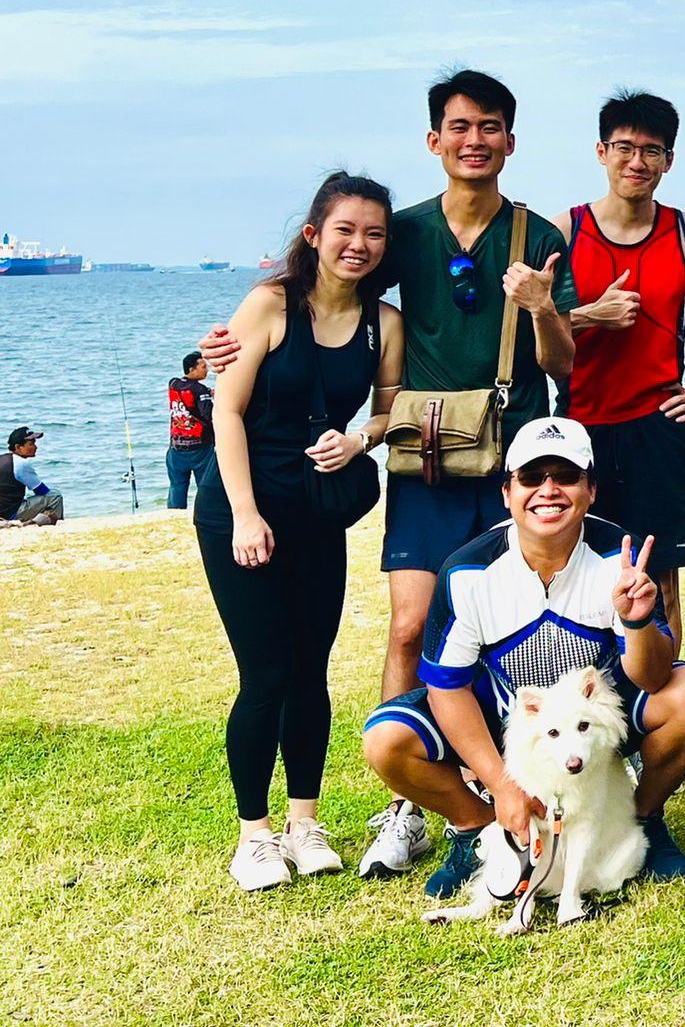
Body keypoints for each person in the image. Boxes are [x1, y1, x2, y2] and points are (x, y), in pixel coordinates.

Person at [201, 70, 580, 876]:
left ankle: (536, 780)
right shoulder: (402, 230)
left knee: (519, 626)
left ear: (510, 141)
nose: (474, 140)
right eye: (458, 126)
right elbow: (324, 289)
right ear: (434, 141)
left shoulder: (540, 235)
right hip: (425, 455)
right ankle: (404, 803)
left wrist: (544, 305)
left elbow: (563, 361)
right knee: (411, 626)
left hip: (514, 455)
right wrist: (224, 351)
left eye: (490, 127)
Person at [361, 416, 685, 898]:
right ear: (506, 492)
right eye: (532, 477)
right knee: (386, 738)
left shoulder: (620, 556)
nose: (549, 490)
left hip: (595, 715)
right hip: (508, 720)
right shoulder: (467, 571)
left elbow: (653, 678)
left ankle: (642, 816)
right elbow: (448, 688)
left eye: (566, 476)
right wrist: (502, 785)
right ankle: (479, 831)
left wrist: (635, 621)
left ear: (591, 488)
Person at [195, 172, 404, 891]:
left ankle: (304, 824)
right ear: (314, 234)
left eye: (374, 233)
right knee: (266, 674)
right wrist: (245, 514)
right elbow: (226, 413)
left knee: (311, 670)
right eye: (345, 229)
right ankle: (254, 836)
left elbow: (389, 409)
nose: (360, 245)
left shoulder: (385, 322)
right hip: (243, 507)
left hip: (318, 511)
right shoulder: (270, 304)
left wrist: (360, 441)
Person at [553, 90, 685, 631]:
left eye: (652, 151)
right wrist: (591, 314)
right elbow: (527, 329)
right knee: (574, 571)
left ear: (669, 160)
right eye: (624, 147)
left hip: (657, 429)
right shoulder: (565, 231)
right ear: (601, 151)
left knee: (658, 581)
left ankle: (663, 707)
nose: (637, 162)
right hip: (579, 426)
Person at [166, 351, 217, 509]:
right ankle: (206, 512)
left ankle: (175, 512)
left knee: (177, 486)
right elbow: (209, 415)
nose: (206, 370)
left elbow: (187, 391)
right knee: (205, 486)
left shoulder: (173, 384)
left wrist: (207, 393)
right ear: (191, 369)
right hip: (200, 447)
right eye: (203, 367)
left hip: (177, 445)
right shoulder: (200, 390)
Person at [1, 427, 62, 525]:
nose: (35, 447)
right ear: (18, 447)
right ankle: (54, 524)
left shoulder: (2, 459)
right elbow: (42, 491)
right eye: (31, 444)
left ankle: (41, 519)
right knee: (55, 496)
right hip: (10, 513)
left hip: (3, 511)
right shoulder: (20, 463)